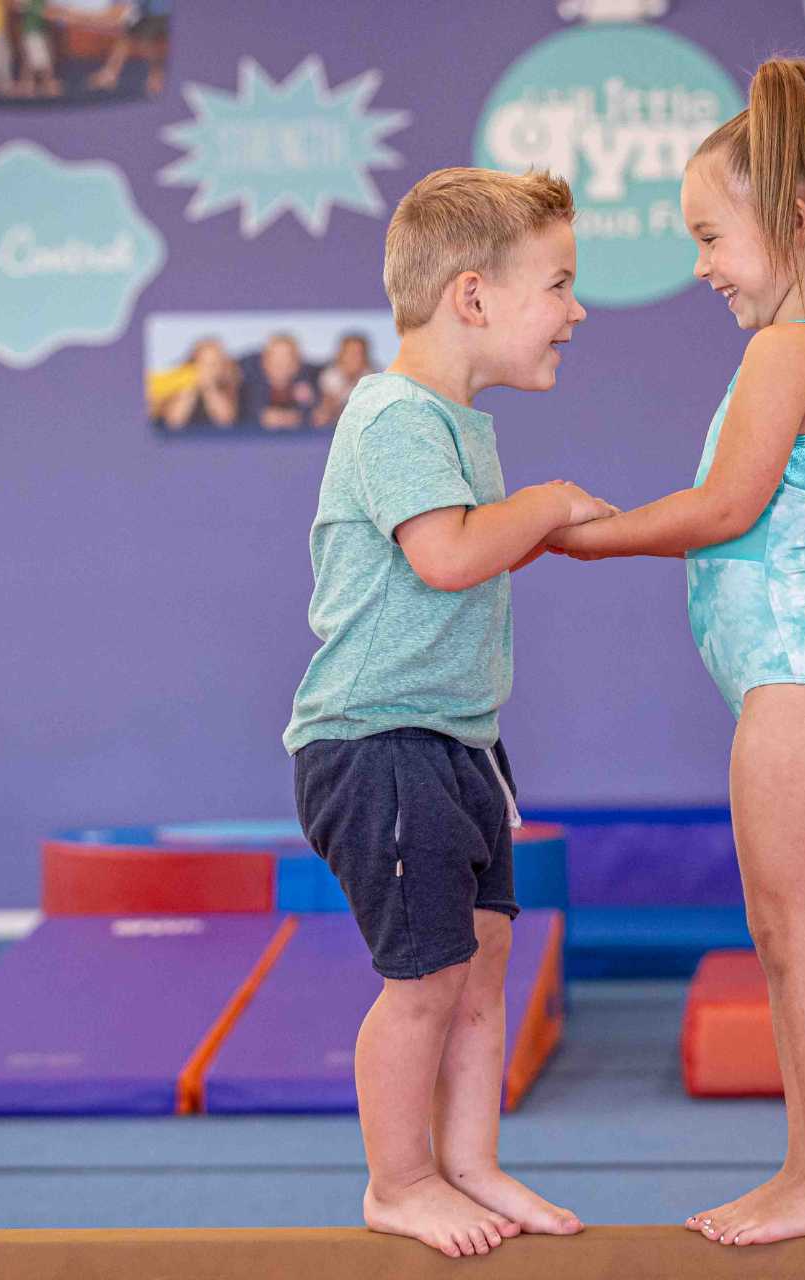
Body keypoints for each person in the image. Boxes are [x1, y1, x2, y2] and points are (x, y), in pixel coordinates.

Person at [544, 57, 805, 1248]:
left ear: (790, 218)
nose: (699, 265)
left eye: (710, 235)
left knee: (801, 939)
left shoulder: (789, 349)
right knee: (784, 938)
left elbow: (723, 507)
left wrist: (582, 536)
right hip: (795, 679)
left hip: (799, 678)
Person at [284, 166, 609, 1259]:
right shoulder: (393, 415)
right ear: (472, 298)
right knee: (423, 977)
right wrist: (549, 505)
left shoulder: (459, 424)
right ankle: (401, 1177)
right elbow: (447, 554)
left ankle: (470, 1159)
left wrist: (535, 512)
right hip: (377, 741)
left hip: (459, 738)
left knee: (482, 959)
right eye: (559, 284)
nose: (577, 310)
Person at [156, 337, 241, 429]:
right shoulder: (181, 380)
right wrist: (190, 387)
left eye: (214, 364)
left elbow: (225, 420)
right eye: (204, 364)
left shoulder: (228, 383)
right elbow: (174, 421)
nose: (209, 370)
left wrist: (209, 388)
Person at [315, 332, 375, 428]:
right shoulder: (330, 375)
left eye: (357, 354)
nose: (353, 358)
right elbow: (326, 409)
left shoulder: (373, 377)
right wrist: (348, 381)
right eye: (349, 353)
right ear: (341, 354)